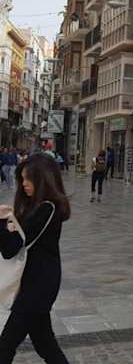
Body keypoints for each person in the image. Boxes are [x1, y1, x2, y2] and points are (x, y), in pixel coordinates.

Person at [0, 153, 71, 363]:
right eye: (22, 179)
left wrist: (2, 222)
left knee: (5, 346)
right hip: (35, 282)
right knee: (44, 343)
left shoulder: (47, 209)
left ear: (42, 179)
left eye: (28, 179)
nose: (23, 184)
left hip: (37, 286)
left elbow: (11, 248)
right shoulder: (37, 207)